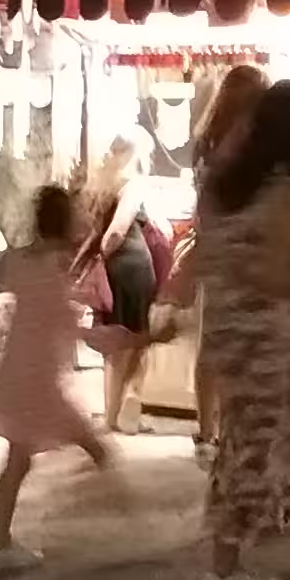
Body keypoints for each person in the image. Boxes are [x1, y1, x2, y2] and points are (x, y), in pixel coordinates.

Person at [0, 186, 171, 576]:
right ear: (65, 222)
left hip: (17, 380)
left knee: (17, 464)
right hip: (41, 389)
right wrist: (150, 338)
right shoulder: (54, 274)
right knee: (98, 451)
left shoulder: (23, 262)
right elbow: (91, 337)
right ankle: (145, 534)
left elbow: (19, 282)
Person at [184, 80, 290, 580]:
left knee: (239, 451)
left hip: (231, 337)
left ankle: (226, 564)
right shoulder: (282, 192)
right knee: (253, 456)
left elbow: (201, 256)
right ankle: (225, 573)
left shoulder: (224, 185)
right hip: (269, 344)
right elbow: (279, 276)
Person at [189, 64, 268, 467]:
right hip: (248, 250)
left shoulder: (207, 141)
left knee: (213, 341)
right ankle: (233, 431)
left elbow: (203, 206)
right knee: (244, 344)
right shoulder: (254, 144)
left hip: (215, 249)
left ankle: (206, 432)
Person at [82, 127, 166, 434]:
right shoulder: (133, 185)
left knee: (114, 345)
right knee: (136, 339)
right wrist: (107, 250)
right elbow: (116, 231)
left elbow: (94, 232)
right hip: (132, 266)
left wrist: (93, 260)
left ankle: (111, 414)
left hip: (115, 269)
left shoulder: (104, 185)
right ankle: (130, 404)